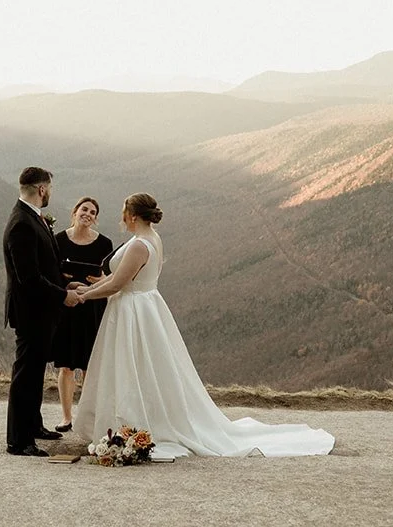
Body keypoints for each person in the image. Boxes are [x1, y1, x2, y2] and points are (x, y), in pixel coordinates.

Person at [71, 193, 334, 459]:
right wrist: (91, 287)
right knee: (147, 368)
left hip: (133, 311)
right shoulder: (153, 239)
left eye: (124, 212)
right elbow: (117, 279)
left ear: (133, 215)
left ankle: (136, 423)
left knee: (131, 366)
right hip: (146, 307)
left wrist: (83, 296)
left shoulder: (140, 245)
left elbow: (118, 284)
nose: (121, 217)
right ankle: (140, 420)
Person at [1, 166, 80, 457]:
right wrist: (63, 296)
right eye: (50, 189)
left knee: (34, 373)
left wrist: (65, 280)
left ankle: (33, 426)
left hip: (41, 310)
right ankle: (18, 441)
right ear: (42, 189)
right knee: (25, 374)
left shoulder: (33, 218)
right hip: (31, 311)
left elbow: (44, 264)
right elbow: (29, 277)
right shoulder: (22, 223)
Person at [50, 196, 114, 432]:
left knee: (89, 364)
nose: (87, 214)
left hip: (93, 306)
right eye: (84, 209)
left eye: (93, 212)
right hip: (67, 305)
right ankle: (66, 417)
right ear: (74, 212)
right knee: (66, 365)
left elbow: (111, 276)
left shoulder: (104, 244)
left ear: (95, 219)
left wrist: (99, 282)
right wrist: (66, 284)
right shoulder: (57, 240)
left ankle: (86, 417)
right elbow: (50, 271)